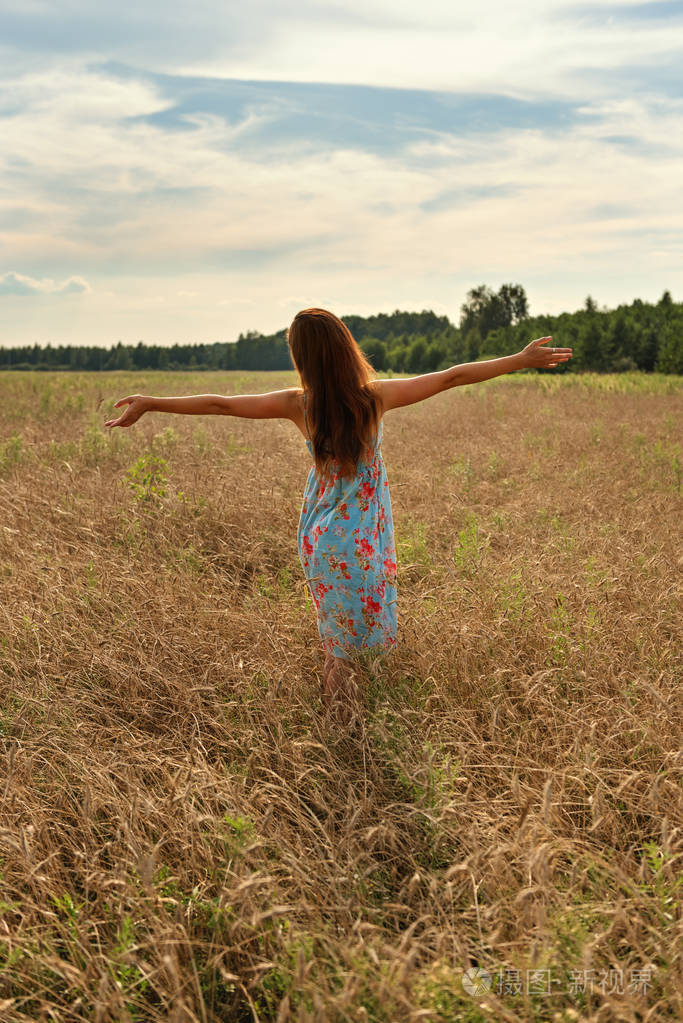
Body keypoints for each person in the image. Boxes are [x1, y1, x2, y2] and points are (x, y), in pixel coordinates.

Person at [105, 308, 572, 718]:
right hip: (361, 538)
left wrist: (151, 403)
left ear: (302, 358)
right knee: (358, 649)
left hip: (320, 538)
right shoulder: (373, 398)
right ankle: (345, 738)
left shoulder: (298, 404)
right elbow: (451, 376)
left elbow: (220, 404)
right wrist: (520, 360)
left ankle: (343, 731)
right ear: (345, 348)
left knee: (339, 647)